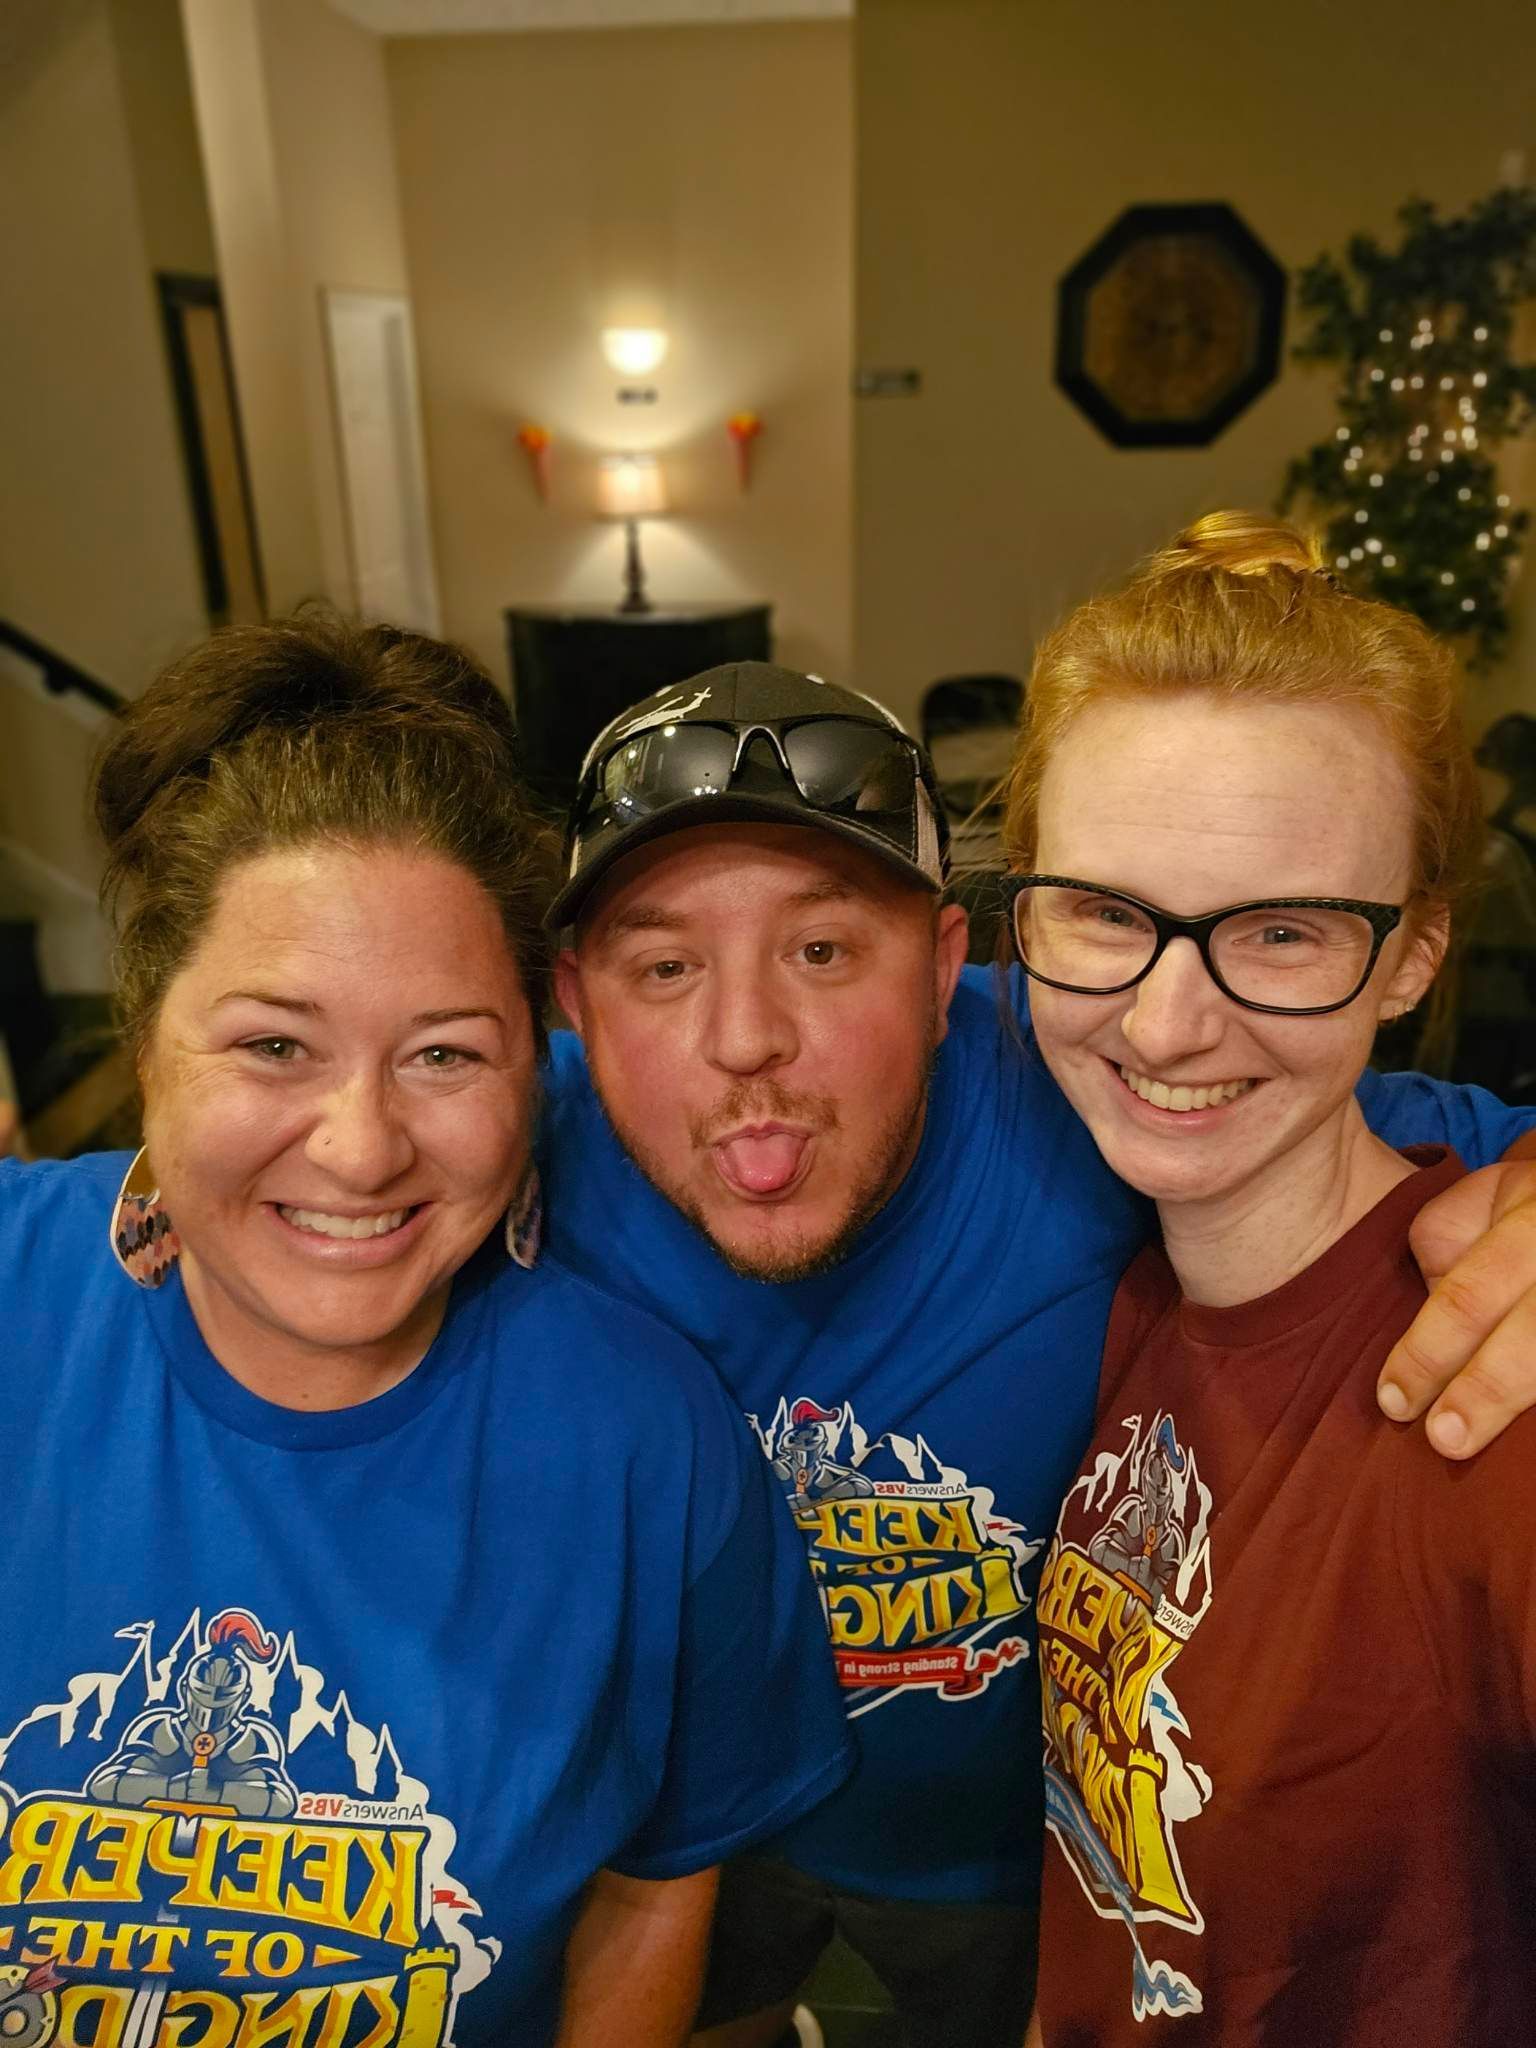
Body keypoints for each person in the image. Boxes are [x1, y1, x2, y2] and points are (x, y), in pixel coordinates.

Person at [540, 662, 1536, 2048]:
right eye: (664, 966)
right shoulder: (495, 1158)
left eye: (824, 952)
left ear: (954, 968)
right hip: (691, 1833)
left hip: (1026, 1862)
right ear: (578, 1005)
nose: (746, 1038)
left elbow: (1391, 1130)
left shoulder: (1101, 1074)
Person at [0, 614, 851, 2048]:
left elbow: (655, 1888)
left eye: (446, 1053)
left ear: (542, 1070)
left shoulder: (650, 1444)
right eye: (275, 1045)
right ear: (145, 1044)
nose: (359, 1148)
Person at [1016, 514, 1536, 2043]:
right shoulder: (1126, 1306)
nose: (1169, 1026)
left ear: (1415, 952)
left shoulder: (1489, 1393)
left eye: (1285, 933)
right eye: (1107, 914)